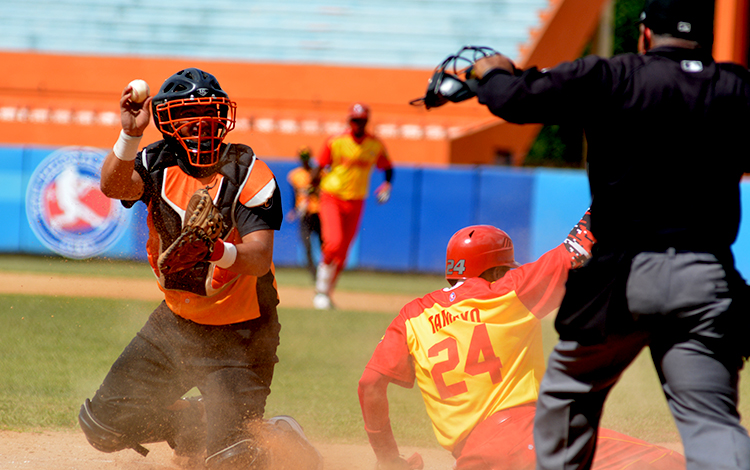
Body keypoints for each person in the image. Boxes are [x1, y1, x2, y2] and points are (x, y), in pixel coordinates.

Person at [466, 0, 750, 468]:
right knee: (713, 423)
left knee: (567, 399)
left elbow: (516, 100)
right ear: (707, 38)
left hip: (622, 276)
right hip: (705, 275)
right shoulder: (737, 88)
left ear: (644, 35)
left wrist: (493, 74)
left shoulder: (613, 76)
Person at [79, 67, 322, 470]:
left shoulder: (248, 170)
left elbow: (259, 256)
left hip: (241, 336)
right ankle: (196, 420)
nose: (201, 123)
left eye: (209, 112)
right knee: (103, 427)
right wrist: (129, 134)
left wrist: (213, 250)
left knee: (231, 461)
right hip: (174, 326)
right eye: (189, 115)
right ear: (168, 122)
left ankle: (275, 434)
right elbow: (113, 187)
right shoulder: (156, 160)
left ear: (223, 118)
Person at [358, 215, 686, 470]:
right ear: (495, 270)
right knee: (668, 464)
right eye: (505, 268)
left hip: (470, 459)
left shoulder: (412, 316)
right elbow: (578, 248)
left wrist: (389, 460)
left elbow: (370, 384)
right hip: (528, 437)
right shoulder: (507, 291)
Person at [310, 102, 394, 310]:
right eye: (354, 120)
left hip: (357, 200)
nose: (358, 124)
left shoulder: (375, 144)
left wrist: (387, 185)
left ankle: (327, 294)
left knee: (342, 255)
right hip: (332, 196)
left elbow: (388, 167)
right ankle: (320, 291)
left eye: (362, 121)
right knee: (334, 242)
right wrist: (312, 189)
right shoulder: (336, 141)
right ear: (349, 121)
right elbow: (319, 167)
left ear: (366, 122)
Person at [286, 146, 323, 281]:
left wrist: (314, 191)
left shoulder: (319, 172)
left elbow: (325, 192)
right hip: (304, 214)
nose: (305, 161)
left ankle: (325, 273)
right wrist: (293, 210)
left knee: (323, 245)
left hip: (318, 212)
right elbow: (294, 194)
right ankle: (314, 275)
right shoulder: (296, 175)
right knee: (306, 245)